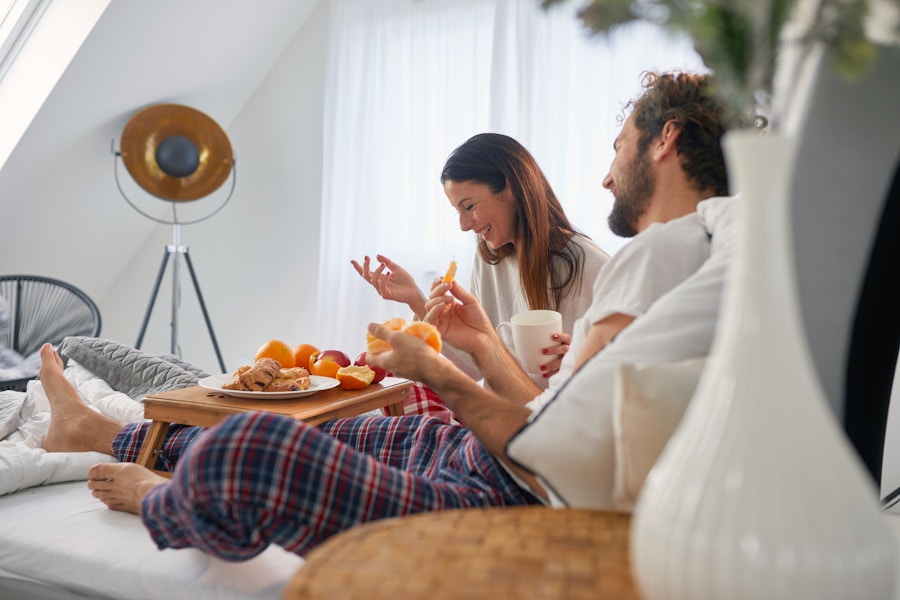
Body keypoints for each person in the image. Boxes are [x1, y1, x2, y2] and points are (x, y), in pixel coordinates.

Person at [43, 71, 733, 560]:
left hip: (506, 499)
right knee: (340, 428)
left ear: (664, 140)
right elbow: (554, 421)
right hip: (485, 457)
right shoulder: (692, 258)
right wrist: (477, 351)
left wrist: (439, 368)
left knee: (256, 446)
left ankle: (155, 497)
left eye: (619, 146)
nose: (608, 174)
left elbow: (555, 450)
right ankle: (105, 430)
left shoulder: (660, 255)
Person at [351, 133, 610, 388]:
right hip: (498, 415)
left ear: (510, 188)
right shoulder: (489, 259)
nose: (463, 225)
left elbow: (622, 371)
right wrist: (417, 300)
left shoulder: (590, 265)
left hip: (546, 420)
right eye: (458, 211)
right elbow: (475, 367)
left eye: (469, 206)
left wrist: (579, 362)